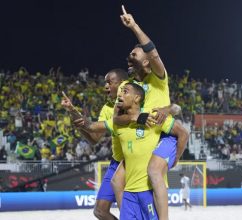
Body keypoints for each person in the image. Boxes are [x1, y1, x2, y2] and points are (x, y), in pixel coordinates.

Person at [111, 6, 185, 220]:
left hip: (162, 136)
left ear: (146, 62)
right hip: (141, 136)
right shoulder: (129, 86)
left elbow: (152, 52)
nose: (129, 56)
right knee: (117, 181)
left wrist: (133, 26)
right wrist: (138, 117)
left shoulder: (158, 78)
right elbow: (117, 118)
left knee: (154, 172)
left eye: (134, 54)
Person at [76, 82, 188, 219]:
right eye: (120, 91)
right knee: (115, 182)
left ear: (136, 98)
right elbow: (91, 126)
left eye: (125, 91)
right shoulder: (117, 123)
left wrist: (175, 158)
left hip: (148, 193)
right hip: (128, 195)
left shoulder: (153, 116)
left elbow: (183, 133)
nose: (120, 94)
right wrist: (72, 112)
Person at [61, 68, 128, 220]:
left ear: (123, 83)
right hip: (116, 163)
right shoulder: (107, 108)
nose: (105, 86)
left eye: (110, 82)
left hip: (135, 163)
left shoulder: (137, 103)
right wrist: (72, 112)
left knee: (131, 211)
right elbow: (94, 138)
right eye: (105, 82)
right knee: (100, 211)